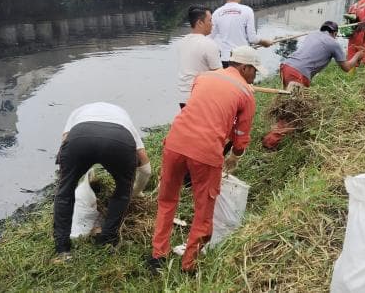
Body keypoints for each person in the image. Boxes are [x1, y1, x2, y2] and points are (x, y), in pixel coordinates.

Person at [149, 46, 259, 273]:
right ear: (245, 67)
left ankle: (158, 255)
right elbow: (241, 136)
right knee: (203, 210)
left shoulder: (203, 77)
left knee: (167, 201)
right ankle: (188, 265)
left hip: (175, 142)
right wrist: (235, 157)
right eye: (254, 71)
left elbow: (201, 109)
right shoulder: (247, 94)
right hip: (206, 152)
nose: (254, 76)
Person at [53, 102, 151, 261]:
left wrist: (66, 177)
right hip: (119, 140)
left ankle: (62, 250)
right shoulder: (125, 119)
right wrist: (134, 192)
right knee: (122, 191)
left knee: (65, 191)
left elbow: (65, 142)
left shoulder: (76, 113)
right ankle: (107, 240)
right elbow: (146, 169)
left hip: (80, 137)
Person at [262, 21, 364, 150]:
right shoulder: (333, 43)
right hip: (298, 74)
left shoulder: (313, 34)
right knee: (295, 112)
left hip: (287, 67)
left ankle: (283, 132)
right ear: (335, 33)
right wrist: (357, 56)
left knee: (291, 105)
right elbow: (346, 67)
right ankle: (270, 142)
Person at [211, 0, 272, 67]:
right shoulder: (247, 10)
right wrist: (265, 42)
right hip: (242, 58)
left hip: (224, 59)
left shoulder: (216, 13)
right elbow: (252, 38)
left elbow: (211, 37)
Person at [176, 5, 222, 109]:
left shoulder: (181, 42)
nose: (212, 24)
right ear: (200, 23)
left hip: (183, 98)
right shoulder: (209, 44)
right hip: (201, 99)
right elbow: (220, 75)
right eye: (210, 20)